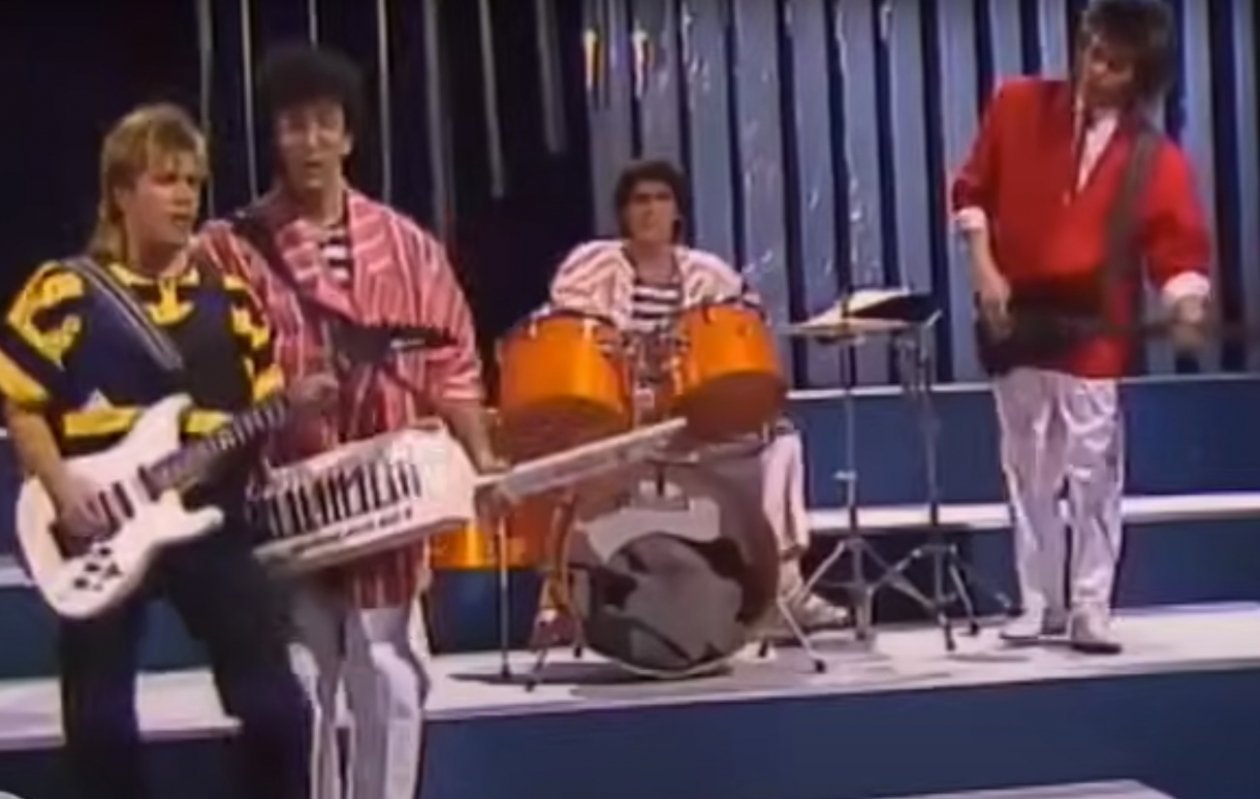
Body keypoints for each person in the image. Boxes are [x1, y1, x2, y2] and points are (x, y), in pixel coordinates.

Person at [197, 44, 503, 799]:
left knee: (388, 661)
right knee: (306, 674)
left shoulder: (406, 246)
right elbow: (200, 372)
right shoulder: (227, 249)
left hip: (386, 488)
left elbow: (453, 362)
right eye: (293, 125)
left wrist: (482, 457)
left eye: (324, 124)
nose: (310, 141)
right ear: (274, 138)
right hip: (282, 490)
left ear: (349, 135)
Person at [0, 104, 311, 798]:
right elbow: (18, 401)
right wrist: (63, 491)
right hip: (96, 528)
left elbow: (268, 407)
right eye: (166, 180)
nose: (184, 197)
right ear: (120, 192)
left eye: (193, 182)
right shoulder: (63, 291)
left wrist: (297, 407)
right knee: (99, 719)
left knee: (279, 709)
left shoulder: (234, 302)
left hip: (208, 520)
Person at [950, 0, 1211, 653]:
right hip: (1016, 314)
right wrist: (984, 268)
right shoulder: (1015, 105)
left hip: (1094, 325)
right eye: (1093, 54)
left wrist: (1186, 304)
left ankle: (1091, 605)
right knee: (1027, 466)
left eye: (1116, 65)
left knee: (1092, 470)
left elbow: (1178, 251)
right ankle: (1038, 601)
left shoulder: (1154, 158)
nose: (1097, 71)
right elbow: (972, 191)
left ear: (1141, 75)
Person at [542, 158, 848, 639]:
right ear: (623, 212)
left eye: (661, 199)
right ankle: (562, 599)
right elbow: (568, 331)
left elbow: (744, 325)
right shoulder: (592, 266)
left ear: (678, 211)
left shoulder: (710, 274)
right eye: (640, 200)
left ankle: (781, 590)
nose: (651, 210)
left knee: (780, 441)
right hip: (617, 417)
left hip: (690, 418)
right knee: (571, 450)